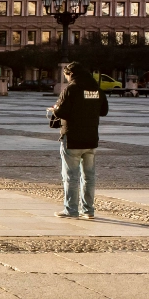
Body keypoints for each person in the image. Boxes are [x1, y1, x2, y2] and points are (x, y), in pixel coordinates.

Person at [48, 61, 108, 219]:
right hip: (91, 139)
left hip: (73, 138)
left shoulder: (71, 89)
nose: (67, 79)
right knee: (89, 176)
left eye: (66, 75)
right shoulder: (96, 89)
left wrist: (55, 109)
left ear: (71, 74)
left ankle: (71, 210)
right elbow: (104, 111)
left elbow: (63, 112)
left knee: (71, 176)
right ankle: (88, 211)